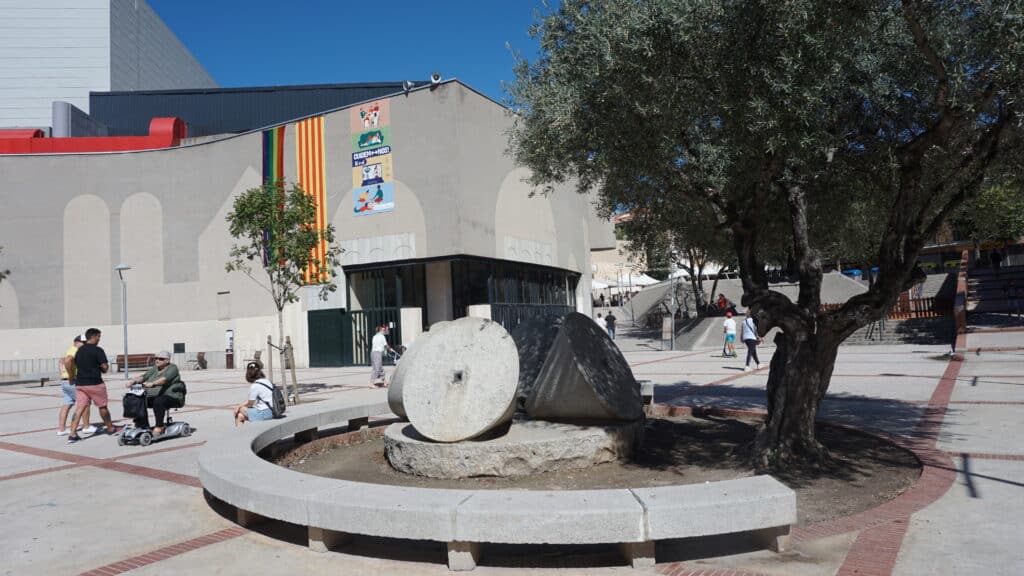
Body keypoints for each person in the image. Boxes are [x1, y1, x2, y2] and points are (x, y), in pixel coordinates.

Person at [67, 328, 122, 443]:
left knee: (80, 408)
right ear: (94, 337)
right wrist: (103, 368)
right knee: (102, 406)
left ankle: (72, 433)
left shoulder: (79, 350)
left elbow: (72, 362)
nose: (99, 339)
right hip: (95, 383)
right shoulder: (98, 350)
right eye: (99, 337)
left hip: (80, 383)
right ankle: (111, 428)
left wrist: (71, 376)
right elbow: (104, 367)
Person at [127, 350, 184, 436]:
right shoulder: (155, 369)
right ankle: (142, 425)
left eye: (161, 359)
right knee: (138, 399)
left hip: (173, 397)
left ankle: (159, 426)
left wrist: (153, 383)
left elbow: (164, 379)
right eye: (156, 358)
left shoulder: (173, 368)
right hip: (158, 396)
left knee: (159, 401)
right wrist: (133, 381)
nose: (157, 360)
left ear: (167, 360)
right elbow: (144, 377)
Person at [57, 334, 94, 436]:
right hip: (73, 381)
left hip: (65, 382)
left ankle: (62, 429)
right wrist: (71, 376)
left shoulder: (69, 350)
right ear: (76, 342)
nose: (85, 344)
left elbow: (61, 361)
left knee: (67, 403)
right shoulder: (75, 350)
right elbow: (68, 360)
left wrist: (63, 375)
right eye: (83, 342)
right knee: (85, 402)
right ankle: (86, 427)